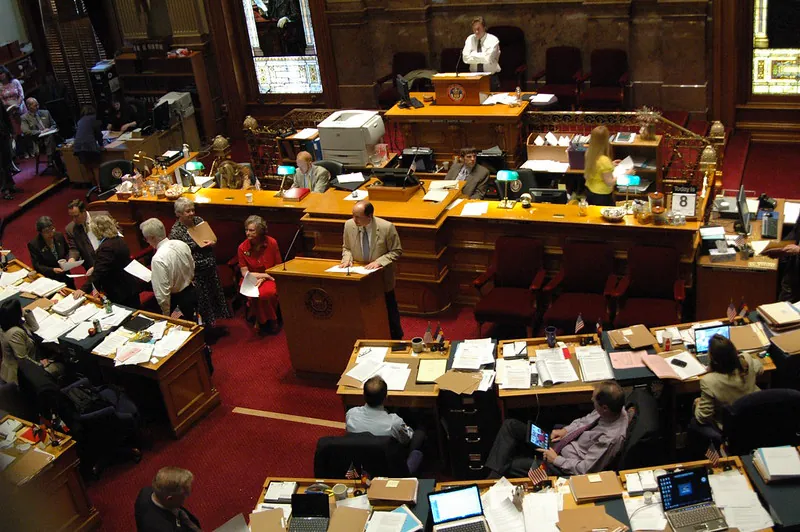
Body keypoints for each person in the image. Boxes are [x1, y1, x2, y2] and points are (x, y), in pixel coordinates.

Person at [485, 381, 628, 477]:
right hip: (561, 442)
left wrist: (556, 460)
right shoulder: (611, 409)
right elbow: (583, 421)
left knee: (510, 464)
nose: (591, 401)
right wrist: (566, 430)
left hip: (563, 465)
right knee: (511, 425)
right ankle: (493, 478)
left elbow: (585, 469)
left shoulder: (611, 439)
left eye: (594, 400)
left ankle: (490, 482)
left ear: (604, 408)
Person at [340, 201, 404, 340]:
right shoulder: (349, 225)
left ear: (369, 216)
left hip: (381, 278)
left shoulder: (386, 227)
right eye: (353, 216)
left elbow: (397, 251)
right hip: (358, 277)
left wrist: (379, 262)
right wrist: (347, 258)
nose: (354, 220)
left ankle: (396, 339)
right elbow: (347, 248)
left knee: (389, 311)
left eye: (358, 217)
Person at [169, 198, 232, 330]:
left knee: (214, 295)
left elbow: (212, 238)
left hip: (210, 266)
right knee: (203, 302)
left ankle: (214, 325)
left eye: (192, 210)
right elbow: (179, 255)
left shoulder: (198, 221)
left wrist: (212, 243)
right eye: (188, 211)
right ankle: (206, 330)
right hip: (196, 272)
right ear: (179, 214)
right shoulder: (176, 232)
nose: (192, 213)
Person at [345, 375, 425, 473]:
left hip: (361, 464)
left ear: (364, 396)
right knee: (420, 433)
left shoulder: (351, 414)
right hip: (391, 468)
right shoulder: (394, 423)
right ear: (385, 398)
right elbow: (407, 439)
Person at [693, 335, 763, 431]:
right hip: (755, 417)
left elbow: (703, 418)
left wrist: (697, 404)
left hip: (730, 427)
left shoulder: (709, 381)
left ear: (713, 359)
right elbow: (760, 368)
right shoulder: (747, 360)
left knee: (694, 419)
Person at [76, 214, 140, 309]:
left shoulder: (106, 247)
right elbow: (112, 262)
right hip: (129, 286)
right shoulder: (119, 240)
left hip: (119, 291)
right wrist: (95, 267)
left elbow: (100, 272)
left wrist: (83, 289)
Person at [140, 218, 197, 318]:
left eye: (146, 239)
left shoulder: (158, 259)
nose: (147, 242)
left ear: (152, 238)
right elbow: (192, 266)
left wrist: (166, 315)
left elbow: (162, 294)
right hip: (191, 292)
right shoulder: (181, 244)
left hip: (176, 300)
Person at [0, 299, 64, 385]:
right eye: (20, 308)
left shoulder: (13, 323)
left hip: (31, 359)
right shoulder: (15, 332)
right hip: (20, 374)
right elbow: (23, 359)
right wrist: (40, 365)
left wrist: (26, 313)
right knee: (61, 366)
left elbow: (34, 327)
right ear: (16, 313)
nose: (23, 308)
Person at [237, 215, 282, 333]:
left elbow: (278, 266)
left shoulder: (271, 242)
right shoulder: (242, 247)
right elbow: (244, 272)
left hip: (272, 276)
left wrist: (266, 277)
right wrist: (263, 276)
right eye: (246, 230)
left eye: (251, 230)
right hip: (251, 278)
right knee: (254, 293)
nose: (247, 233)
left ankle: (269, 320)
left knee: (267, 293)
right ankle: (264, 321)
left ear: (260, 231)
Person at [134, 467, 201, 532]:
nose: (188, 495)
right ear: (170, 498)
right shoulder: (162, 528)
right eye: (185, 494)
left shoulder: (149, 491)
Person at [27, 216, 74, 287]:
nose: (50, 233)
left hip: (66, 275)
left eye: (52, 229)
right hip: (50, 279)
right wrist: (52, 270)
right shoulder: (34, 244)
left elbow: (67, 251)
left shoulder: (59, 236)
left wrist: (68, 261)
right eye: (46, 232)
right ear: (40, 232)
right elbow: (37, 265)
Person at [21, 97, 64, 174]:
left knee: (50, 137)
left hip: (51, 136)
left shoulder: (45, 112)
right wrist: (41, 132)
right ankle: (52, 158)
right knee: (50, 138)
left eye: (38, 104)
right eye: (35, 106)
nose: (37, 107)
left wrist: (50, 129)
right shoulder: (24, 118)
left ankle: (51, 158)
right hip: (38, 141)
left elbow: (54, 124)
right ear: (28, 106)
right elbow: (26, 132)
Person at [461, 16, 501, 91]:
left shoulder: (493, 40)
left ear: (484, 28)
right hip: (473, 78)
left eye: (478, 29)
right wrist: (483, 55)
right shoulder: (470, 39)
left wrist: (472, 54)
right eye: (474, 29)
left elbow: (488, 59)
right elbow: (465, 58)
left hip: (490, 78)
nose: (476, 32)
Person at [583, 125, 618, 206]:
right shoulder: (604, 160)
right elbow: (609, 182)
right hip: (602, 196)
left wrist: (611, 165)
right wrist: (624, 174)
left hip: (590, 191)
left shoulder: (589, 153)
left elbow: (597, 168)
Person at [72, 105, 104, 188]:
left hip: (78, 148)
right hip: (89, 146)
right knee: (95, 167)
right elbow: (99, 135)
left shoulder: (80, 121)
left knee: (88, 168)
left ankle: (94, 187)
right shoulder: (94, 119)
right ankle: (100, 187)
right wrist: (101, 145)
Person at [65, 199, 97, 271]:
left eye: (76, 216)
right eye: (72, 217)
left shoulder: (100, 217)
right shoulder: (70, 229)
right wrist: (72, 259)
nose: (74, 220)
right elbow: (74, 248)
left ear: (84, 211)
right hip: (91, 266)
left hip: (109, 261)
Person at [0, 104, 14, 200]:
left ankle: (11, 185)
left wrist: (10, 130)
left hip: (3, 134)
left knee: (7, 161)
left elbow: (4, 115)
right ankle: (5, 189)